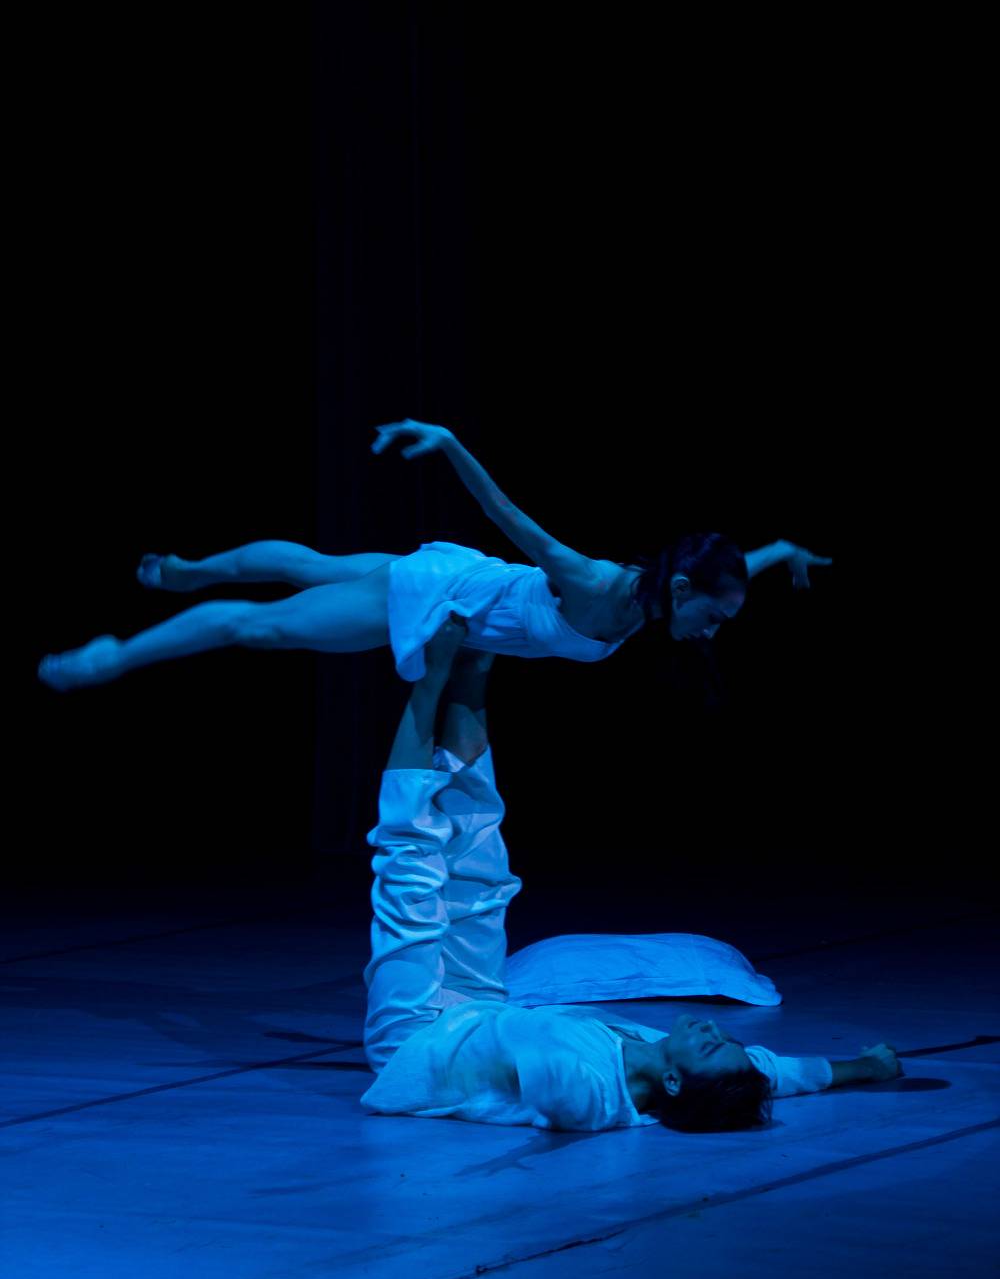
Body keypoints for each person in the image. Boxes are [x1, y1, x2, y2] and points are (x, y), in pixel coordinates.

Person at [361, 617, 901, 1133]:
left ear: (672, 1082)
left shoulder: (588, 1095)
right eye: (726, 1040)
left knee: (411, 862)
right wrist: (865, 1068)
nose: (714, 1030)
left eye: (710, 1045)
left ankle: (431, 677)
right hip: (479, 1005)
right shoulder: (668, 1064)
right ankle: (475, 665)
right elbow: (775, 1072)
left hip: (416, 1042)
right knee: (480, 845)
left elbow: (554, 1095)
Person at [37, 420, 831, 691]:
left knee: (311, 565)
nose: (713, 631)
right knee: (261, 628)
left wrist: (786, 548)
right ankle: (113, 655)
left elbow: (742, 566)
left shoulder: (670, 591)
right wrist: (449, 443)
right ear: (683, 588)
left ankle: (188, 571)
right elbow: (504, 512)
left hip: (461, 578)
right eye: (714, 617)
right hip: (436, 593)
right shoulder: (595, 583)